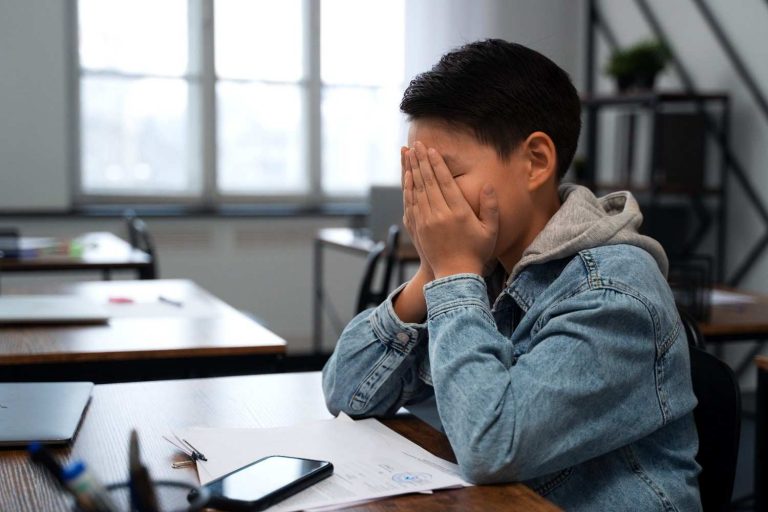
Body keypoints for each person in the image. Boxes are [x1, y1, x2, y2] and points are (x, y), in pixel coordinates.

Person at [322, 39, 701, 511]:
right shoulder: (490, 266)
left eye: (444, 177)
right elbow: (345, 393)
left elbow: (492, 447)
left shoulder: (615, 291)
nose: (424, 202)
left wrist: (454, 275)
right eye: (417, 179)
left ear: (536, 162)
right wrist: (428, 276)